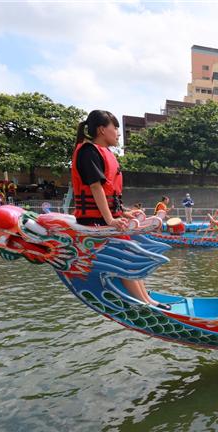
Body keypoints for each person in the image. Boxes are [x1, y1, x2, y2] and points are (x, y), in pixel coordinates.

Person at [71, 109, 165, 309]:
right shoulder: (89, 152)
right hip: (95, 220)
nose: (118, 133)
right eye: (115, 128)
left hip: (106, 218)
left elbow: (108, 193)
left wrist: (123, 212)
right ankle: (144, 303)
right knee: (126, 256)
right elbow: (96, 187)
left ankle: (146, 299)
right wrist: (111, 220)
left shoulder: (104, 153)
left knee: (132, 252)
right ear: (102, 130)